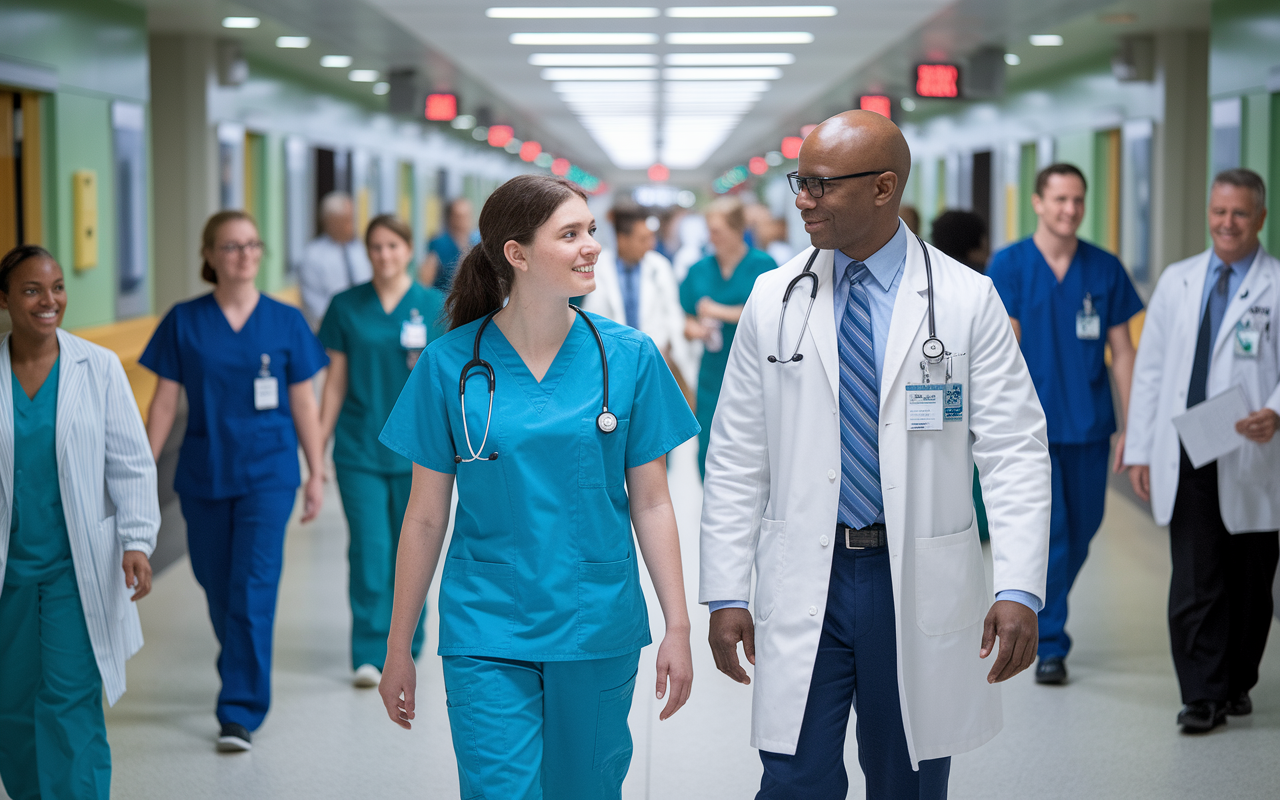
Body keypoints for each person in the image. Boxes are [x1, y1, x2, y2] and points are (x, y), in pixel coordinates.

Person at [700, 110, 1050, 799]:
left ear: (884, 188)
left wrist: (1018, 586)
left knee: (908, 777)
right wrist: (725, 589)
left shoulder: (965, 300)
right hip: (808, 573)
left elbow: (1014, 450)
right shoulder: (775, 297)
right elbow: (737, 452)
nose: (801, 199)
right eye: (799, 182)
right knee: (794, 778)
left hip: (914, 575)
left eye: (820, 185)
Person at [376, 175, 699, 799]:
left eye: (592, 232)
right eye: (570, 234)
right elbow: (423, 519)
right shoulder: (450, 364)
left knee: (586, 788)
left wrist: (677, 627)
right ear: (516, 254)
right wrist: (397, 645)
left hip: (595, 619)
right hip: (488, 621)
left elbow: (653, 503)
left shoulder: (627, 357)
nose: (592, 248)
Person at [140, 210, 329, 753]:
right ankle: (243, 663)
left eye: (251, 245)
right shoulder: (184, 320)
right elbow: (165, 403)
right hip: (203, 474)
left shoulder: (286, 321)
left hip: (269, 476)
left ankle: (240, 709)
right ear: (209, 255)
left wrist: (316, 471)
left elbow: (303, 402)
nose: (244, 255)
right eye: (230, 246)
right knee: (217, 586)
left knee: (252, 589)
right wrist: (140, 473)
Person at [0, 245, 159, 800]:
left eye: (58, 287)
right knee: (13, 703)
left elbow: (131, 462)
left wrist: (137, 539)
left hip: (77, 567)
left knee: (69, 698)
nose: (50, 301)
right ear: (5, 300)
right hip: (9, 572)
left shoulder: (98, 367)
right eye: (32, 290)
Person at [1124, 168, 1280, 734]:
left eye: (1239, 213)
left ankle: (1237, 680)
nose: (1227, 223)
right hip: (1186, 448)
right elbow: (1151, 370)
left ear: (1260, 218)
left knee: (1250, 581)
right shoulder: (1179, 280)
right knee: (1194, 577)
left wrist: (1277, 411)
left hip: (1250, 449)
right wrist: (1140, 448)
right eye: (1219, 212)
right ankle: (1201, 695)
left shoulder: (1277, 283)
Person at [985, 163, 1143, 686]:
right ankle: (1050, 642)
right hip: (1030, 432)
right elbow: (1000, 353)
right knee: (1051, 535)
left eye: (1077, 200)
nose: (1069, 210)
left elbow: (1122, 352)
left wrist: (1133, 425)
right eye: (1059, 200)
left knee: (1085, 530)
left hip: (1090, 425)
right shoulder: (1009, 266)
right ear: (1037, 202)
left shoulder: (1104, 267)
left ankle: (1043, 607)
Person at [318, 214, 447, 688]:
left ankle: (408, 642)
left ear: (409, 250)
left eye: (393, 246)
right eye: (375, 247)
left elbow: (451, 381)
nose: (384, 255)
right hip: (358, 448)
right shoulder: (345, 306)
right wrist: (316, 455)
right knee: (371, 552)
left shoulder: (436, 306)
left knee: (413, 548)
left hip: (423, 451)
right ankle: (370, 651)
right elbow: (333, 383)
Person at [680, 196, 777, 478]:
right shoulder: (699, 270)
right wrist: (693, 329)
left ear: (738, 230)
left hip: (753, 369)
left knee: (752, 444)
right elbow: (687, 318)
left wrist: (718, 310)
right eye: (709, 230)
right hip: (712, 372)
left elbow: (766, 315)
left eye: (718, 231)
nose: (711, 237)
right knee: (708, 442)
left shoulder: (764, 266)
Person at [580, 204, 687, 378]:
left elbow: (672, 313)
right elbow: (592, 315)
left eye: (651, 237)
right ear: (622, 239)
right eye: (643, 239)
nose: (651, 244)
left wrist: (668, 349)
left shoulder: (659, 266)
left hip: (653, 357)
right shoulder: (598, 268)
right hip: (611, 359)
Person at [299, 191, 373, 327]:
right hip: (333, 327)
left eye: (352, 218)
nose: (351, 224)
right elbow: (315, 305)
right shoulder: (313, 256)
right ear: (329, 222)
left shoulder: (361, 249)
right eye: (346, 219)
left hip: (367, 323)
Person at [419, 197, 479, 292]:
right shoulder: (439, 244)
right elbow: (425, 281)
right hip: (443, 301)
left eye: (467, 215)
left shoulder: (477, 242)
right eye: (459, 216)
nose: (464, 220)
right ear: (450, 218)